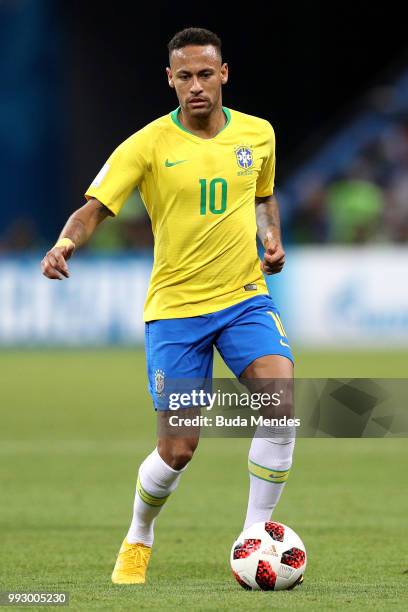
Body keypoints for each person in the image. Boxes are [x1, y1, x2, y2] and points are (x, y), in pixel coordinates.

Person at [41, 27, 295, 585]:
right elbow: (94, 209)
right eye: (185, 76)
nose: (196, 86)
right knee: (179, 448)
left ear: (224, 73)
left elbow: (263, 195)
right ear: (170, 80)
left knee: (281, 404)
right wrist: (64, 243)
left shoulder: (258, 134)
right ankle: (139, 533)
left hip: (245, 300)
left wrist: (269, 237)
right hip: (177, 311)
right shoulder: (146, 144)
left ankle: (255, 534)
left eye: (206, 74)